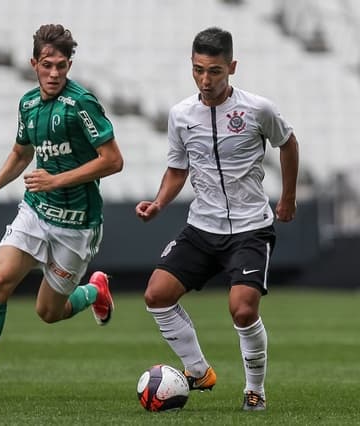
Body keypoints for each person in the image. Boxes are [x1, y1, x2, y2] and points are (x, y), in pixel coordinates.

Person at [0, 24, 123, 402]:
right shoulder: (28, 103)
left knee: (48, 312)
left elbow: (113, 161)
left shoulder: (83, 105)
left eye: (62, 66)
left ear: (69, 65)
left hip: (78, 224)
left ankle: (95, 290)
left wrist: (58, 180)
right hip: (37, 211)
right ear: (34, 64)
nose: (55, 74)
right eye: (47, 65)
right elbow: (21, 152)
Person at [135, 27, 299, 411]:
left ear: (232, 68)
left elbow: (288, 143)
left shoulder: (258, 109)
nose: (205, 80)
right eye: (198, 70)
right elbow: (178, 169)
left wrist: (288, 197)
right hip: (201, 227)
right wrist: (159, 203)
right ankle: (197, 371)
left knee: (242, 309)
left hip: (250, 228)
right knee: (156, 296)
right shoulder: (180, 114)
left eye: (214, 71)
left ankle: (254, 390)